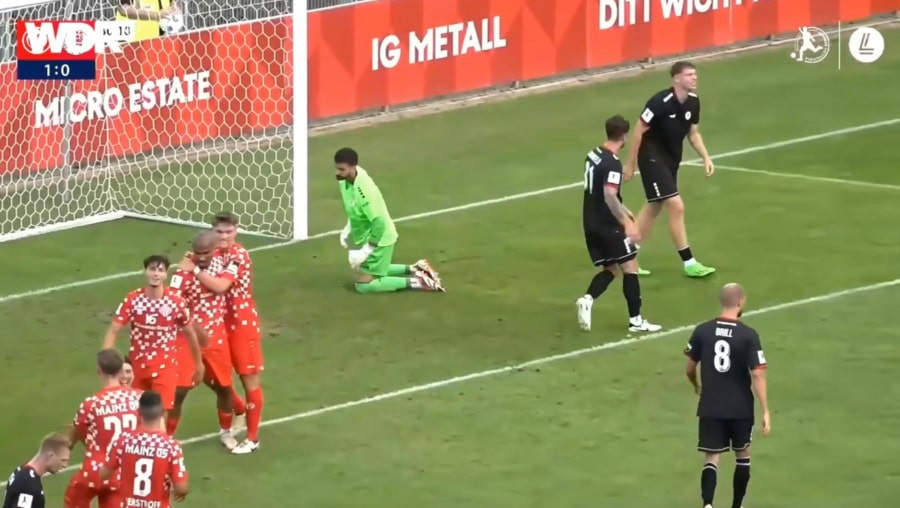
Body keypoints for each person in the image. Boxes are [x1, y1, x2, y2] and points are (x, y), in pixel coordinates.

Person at [624, 61, 716, 278]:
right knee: (676, 205)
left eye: (695, 74)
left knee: (654, 206)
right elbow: (638, 130)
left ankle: (626, 253)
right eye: (689, 75)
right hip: (651, 157)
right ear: (676, 78)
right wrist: (630, 163)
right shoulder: (659, 102)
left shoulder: (693, 102)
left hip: (671, 160)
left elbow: (693, 133)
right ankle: (689, 262)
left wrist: (706, 157)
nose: (694, 78)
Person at [179, 212, 261, 454]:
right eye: (219, 232)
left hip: (241, 322)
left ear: (237, 230)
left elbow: (222, 286)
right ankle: (238, 408)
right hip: (218, 323)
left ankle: (253, 439)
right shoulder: (213, 253)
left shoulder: (238, 255)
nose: (224, 236)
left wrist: (194, 269)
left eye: (229, 231)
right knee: (211, 375)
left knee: (248, 378)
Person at [684, 283, 771, 508]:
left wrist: (696, 386)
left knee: (712, 457)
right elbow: (757, 374)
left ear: (722, 301)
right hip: (740, 407)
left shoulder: (702, 330)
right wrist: (765, 410)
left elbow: (690, 368)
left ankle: (707, 504)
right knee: (742, 454)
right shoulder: (748, 335)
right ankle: (737, 506)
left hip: (711, 404)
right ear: (741, 301)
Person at [575, 115, 662, 333]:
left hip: (590, 221)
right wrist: (626, 222)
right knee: (630, 266)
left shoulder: (593, 155)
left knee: (611, 268)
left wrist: (625, 209)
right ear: (624, 136)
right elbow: (609, 195)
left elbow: (600, 192)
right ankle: (636, 321)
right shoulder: (613, 164)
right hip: (608, 225)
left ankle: (587, 299)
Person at [102, 255, 203, 427]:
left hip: (165, 367)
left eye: (160, 270)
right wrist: (106, 363)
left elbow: (191, 334)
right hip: (137, 366)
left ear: (166, 275)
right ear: (146, 272)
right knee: (135, 411)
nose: (156, 274)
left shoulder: (176, 302)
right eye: (152, 269)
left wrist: (199, 364)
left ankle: (160, 442)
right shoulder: (133, 300)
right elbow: (113, 330)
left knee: (161, 412)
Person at [334, 147, 445, 294]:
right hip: (369, 234)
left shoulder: (365, 190)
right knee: (362, 267)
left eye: (342, 169)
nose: (337, 173)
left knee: (364, 285)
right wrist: (348, 227)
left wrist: (367, 250)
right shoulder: (346, 180)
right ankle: (417, 268)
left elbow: (378, 222)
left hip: (380, 238)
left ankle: (421, 281)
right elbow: (353, 205)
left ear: (353, 167)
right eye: (336, 168)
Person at [170, 231, 243, 450]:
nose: (201, 257)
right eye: (198, 253)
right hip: (188, 337)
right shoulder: (182, 273)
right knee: (179, 390)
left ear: (214, 250)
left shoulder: (227, 263)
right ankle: (168, 438)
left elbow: (222, 286)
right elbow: (172, 301)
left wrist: (196, 269)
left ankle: (226, 432)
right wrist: (192, 324)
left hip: (216, 337)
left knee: (224, 387)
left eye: (206, 253)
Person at [64, 349, 143, 508]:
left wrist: (69, 446)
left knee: (73, 499)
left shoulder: (91, 404)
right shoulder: (141, 398)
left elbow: (75, 433)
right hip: (125, 472)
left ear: (99, 370)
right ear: (121, 370)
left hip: (95, 471)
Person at [100, 390, 189, 507]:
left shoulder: (123, 441)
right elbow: (181, 488)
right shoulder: (171, 446)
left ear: (138, 412)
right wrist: (179, 491)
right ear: (162, 412)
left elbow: (104, 474)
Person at [2, 433, 70, 508]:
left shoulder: (22, 470)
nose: (65, 465)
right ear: (50, 456)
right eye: (63, 460)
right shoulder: (28, 485)